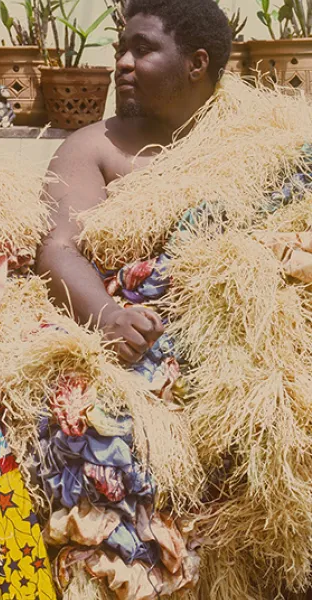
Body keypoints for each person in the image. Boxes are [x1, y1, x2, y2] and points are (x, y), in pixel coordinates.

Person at [37, 0, 233, 366]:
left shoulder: (252, 140)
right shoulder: (93, 147)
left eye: (142, 50)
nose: (123, 63)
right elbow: (56, 247)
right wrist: (108, 316)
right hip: (128, 349)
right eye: (121, 50)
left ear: (197, 63)